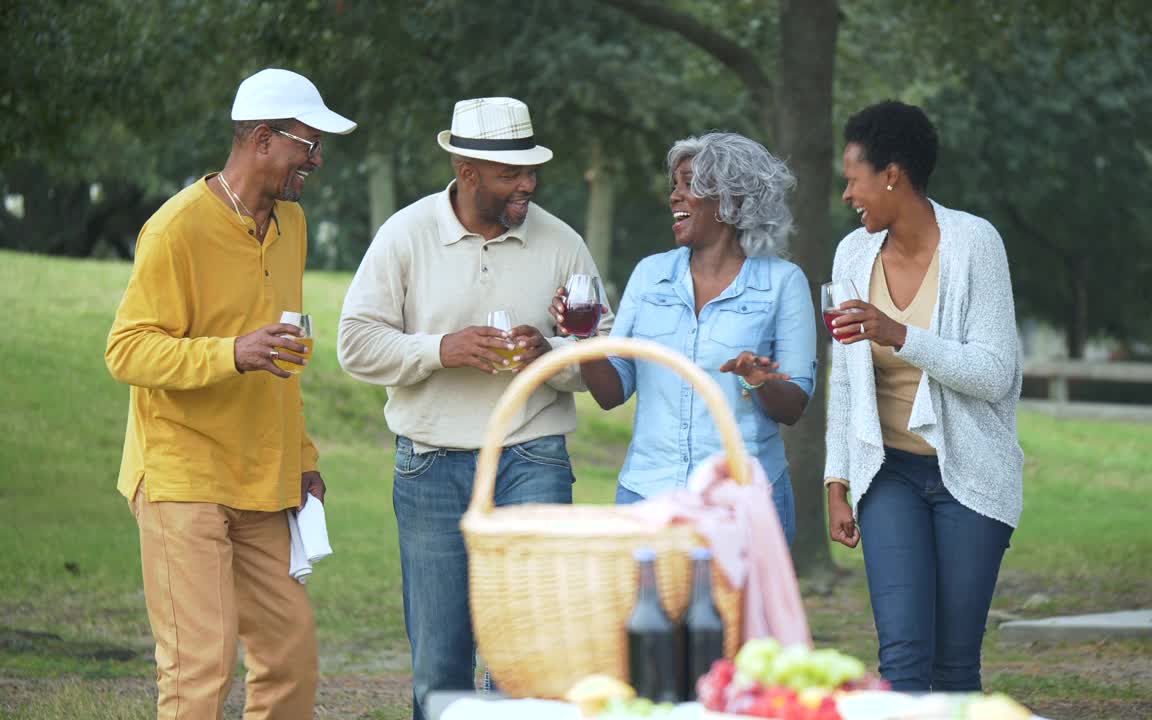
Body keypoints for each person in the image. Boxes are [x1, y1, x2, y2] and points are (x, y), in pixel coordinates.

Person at [336, 97, 611, 718]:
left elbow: (603, 358)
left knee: (528, 647)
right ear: (467, 172)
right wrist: (442, 349)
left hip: (533, 455)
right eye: (511, 174)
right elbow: (354, 345)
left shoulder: (562, 241)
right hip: (430, 465)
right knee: (440, 656)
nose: (528, 185)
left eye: (531, 172)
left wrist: (551, 352)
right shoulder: (405, 235)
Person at [104, 68, 355, 719]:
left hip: (261, 482)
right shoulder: (176, 229)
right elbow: (126, 350)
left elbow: (285, 360)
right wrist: (231, 354)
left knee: (289, 653)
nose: (318, 160)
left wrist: (302, 460)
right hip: (182, 474)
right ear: (265, 140)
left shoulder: (291, 226)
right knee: (201, 664)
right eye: (309, 143)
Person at [823, 100, 1023, 692]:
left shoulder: (974, 244)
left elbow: (995, 375)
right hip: (887, 475)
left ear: (892, 174)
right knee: (903, 661)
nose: (846, 194)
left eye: (853, 179)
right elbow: (844, 381)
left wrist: (899, 334)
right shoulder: (852, 256)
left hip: (970, 479)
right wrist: (838, 483)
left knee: (955, 664)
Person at [554, 132, 816, 545]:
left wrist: (758, 379)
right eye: (674, 184)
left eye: (689, 182)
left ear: (732, 197)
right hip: (649, 498)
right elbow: (612, 392)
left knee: (739, 614)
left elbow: (795, 404)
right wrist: (583, 338)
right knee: (647, 613)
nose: (675, 196)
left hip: (743, 503)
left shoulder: (784, 283)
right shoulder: (649, 275)